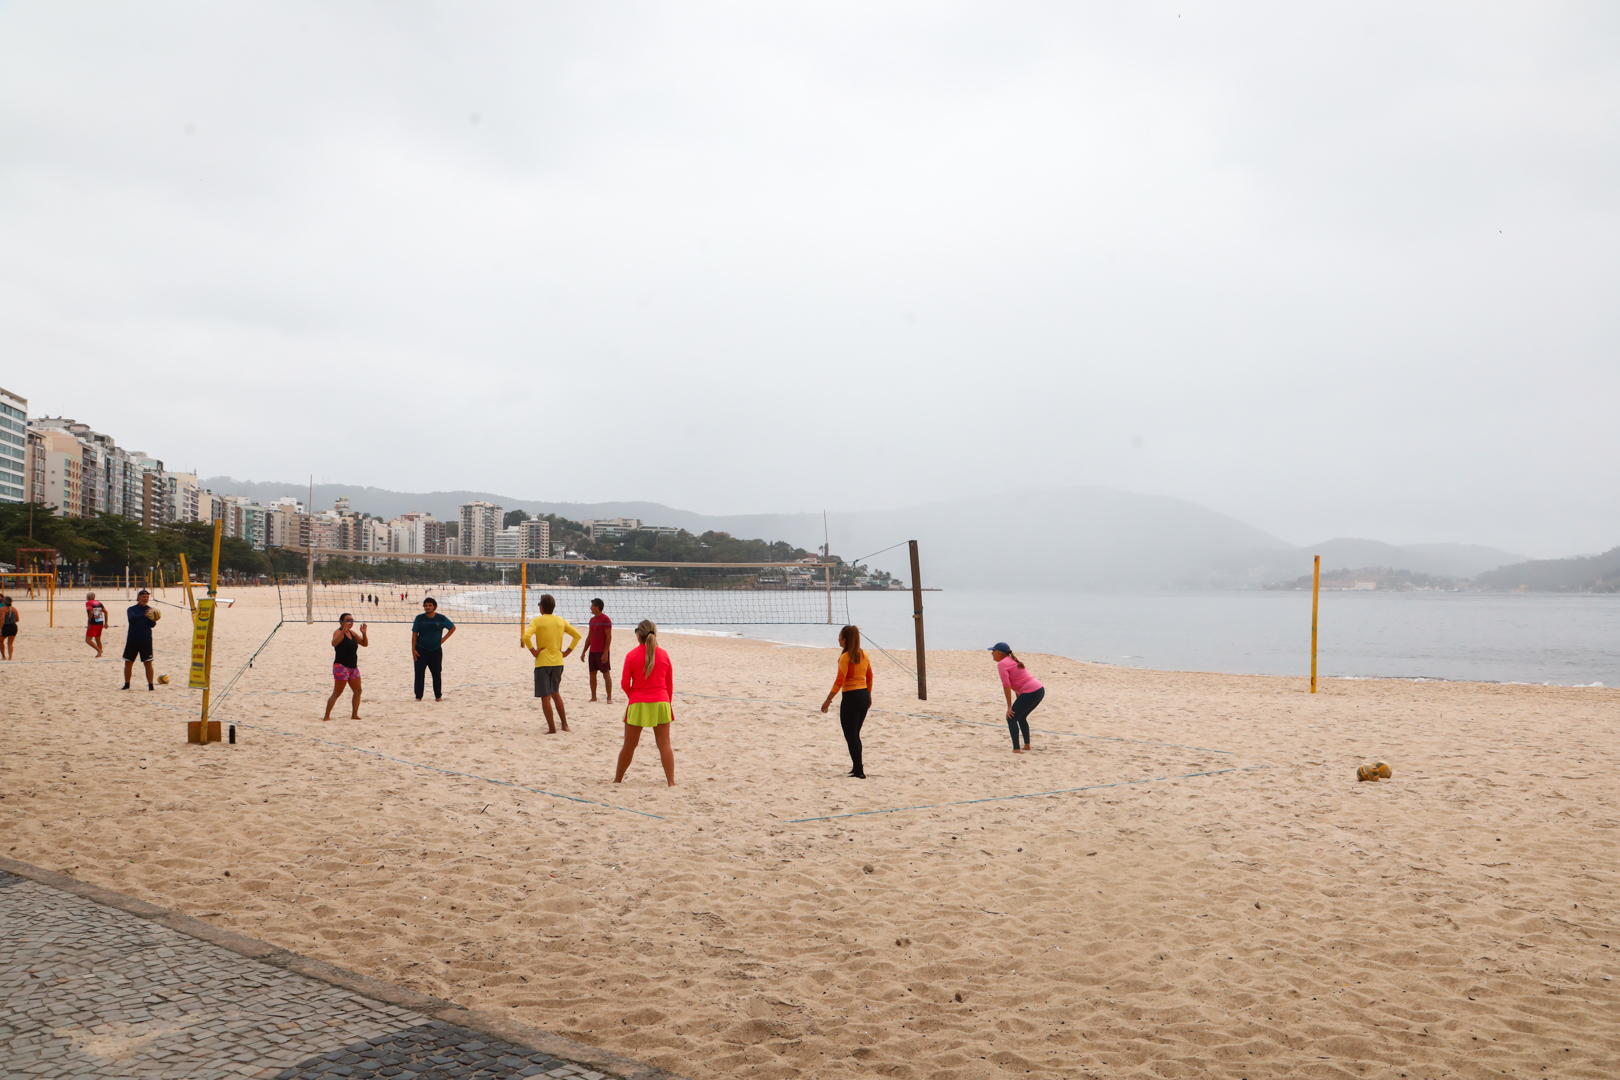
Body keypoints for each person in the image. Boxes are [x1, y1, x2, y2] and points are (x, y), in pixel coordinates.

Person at [615, 619, 676, 786]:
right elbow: (669, 683)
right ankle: (671, 782)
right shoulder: (664, 654)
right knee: (664, 744)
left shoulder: (631, 655)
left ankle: (617, 780)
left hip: (638, 703)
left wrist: (633, 696)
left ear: (638, 635)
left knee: (629, 746)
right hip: (661, 702)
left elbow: (624, 684)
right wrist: (667, 702)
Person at [521, 593, 582, 733]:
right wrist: (566, 652)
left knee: (545, 697)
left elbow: (526, 637)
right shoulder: (560, 621)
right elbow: (577, 635)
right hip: (558, 662)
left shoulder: (537, 621)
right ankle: (565, 725)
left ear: (541, 607)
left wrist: (533, 651)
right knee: (555, 693)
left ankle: (552, 729)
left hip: (543, 663)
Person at [820, 624, 873, 778]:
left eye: (840, 636)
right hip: (863, 695)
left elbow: (839, 681)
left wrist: (827, 700)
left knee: (851, 735)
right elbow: (869, 676)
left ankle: (859, 772)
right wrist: (869, 695)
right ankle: (857, 767)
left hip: (851, 697)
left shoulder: (845, 657)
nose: (838, 638)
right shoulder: (864, 655)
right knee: (855, 735)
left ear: (845, 639)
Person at [990, 642, 1044, 753]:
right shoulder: (1011, 660)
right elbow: (1018, 683)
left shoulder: (1002, 664)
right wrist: (1018, 699)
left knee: (1011, 717)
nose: (991, 653)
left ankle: (1016, 749)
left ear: (999, 654)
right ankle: (1027, 746)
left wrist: (1009, 707)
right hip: (1039, 690)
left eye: (993, 651)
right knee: (1021, 716)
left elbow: (1007, 686)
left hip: (1031, 691)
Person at [324, 613, 368, 721]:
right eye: (348, 620)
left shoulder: (352, 633)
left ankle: (354, 715)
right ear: (341, 622)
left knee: (358, 691)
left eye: (352, 620)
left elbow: (364, 643)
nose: (350, 622)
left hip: (353, 667)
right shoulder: (338, 632)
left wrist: (364, 633)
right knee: (337, 692)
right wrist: (343, 632)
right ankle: (326, 716)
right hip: (341, 666)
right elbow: (334, 643)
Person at [410, 597, 456, 701]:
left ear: (434, 606)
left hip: (435, 650)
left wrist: (444, 638)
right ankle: (418, 697)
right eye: (426, 605)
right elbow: (414, 634)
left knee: (436, 674)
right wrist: (413, 649)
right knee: (419, 674)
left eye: (430, 605)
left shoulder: (441, 618)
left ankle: (438, 696)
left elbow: (452, 627)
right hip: (421, 649)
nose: (428, 607)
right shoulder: (419, 618)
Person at [123, 589, 159, 690]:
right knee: (128, 662)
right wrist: (145, 615)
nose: (145, 599)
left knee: (148, 662)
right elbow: (132, 618)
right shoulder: (131, 609)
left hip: (146, 639)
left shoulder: (150, 610)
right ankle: (127, 684)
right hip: (133, 639)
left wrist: (154, 620)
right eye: (143, 597)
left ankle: (151, 686)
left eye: (147, 597)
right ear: (138, 598)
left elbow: (151, 625)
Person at [582, 598, 613, 703]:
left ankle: (609, 697)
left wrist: (605, 652)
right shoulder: (592, 620)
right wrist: (584, 651)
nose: (591, 607)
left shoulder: (605, 619)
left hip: (602, 651)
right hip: (593, 652)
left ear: (597, 607)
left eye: (592, 606)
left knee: (606, 674)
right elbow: (589, 637)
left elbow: (609, 637)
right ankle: (594, 697)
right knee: (592, 674)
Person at [84, 592, 107, 657]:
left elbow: (91, 612)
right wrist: (106, 622)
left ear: (88, 597)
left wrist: (89, 622)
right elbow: (106, 612)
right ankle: (99, 654)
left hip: (93, 623)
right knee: (98, 639)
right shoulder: (99, 603)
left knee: (88, 640)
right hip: (100, 622)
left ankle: (99, 650)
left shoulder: (88, 603)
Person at [0, 595, 17, 660]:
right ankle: (10, 657)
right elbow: (17, 619)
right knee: (10, 643)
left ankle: (4, 656)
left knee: (0, 641)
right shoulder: (14, 609)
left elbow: (2, 619)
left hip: (5, 626)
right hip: (13, 626)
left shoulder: (2, 609)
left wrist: (0, 628)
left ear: (4, 602)